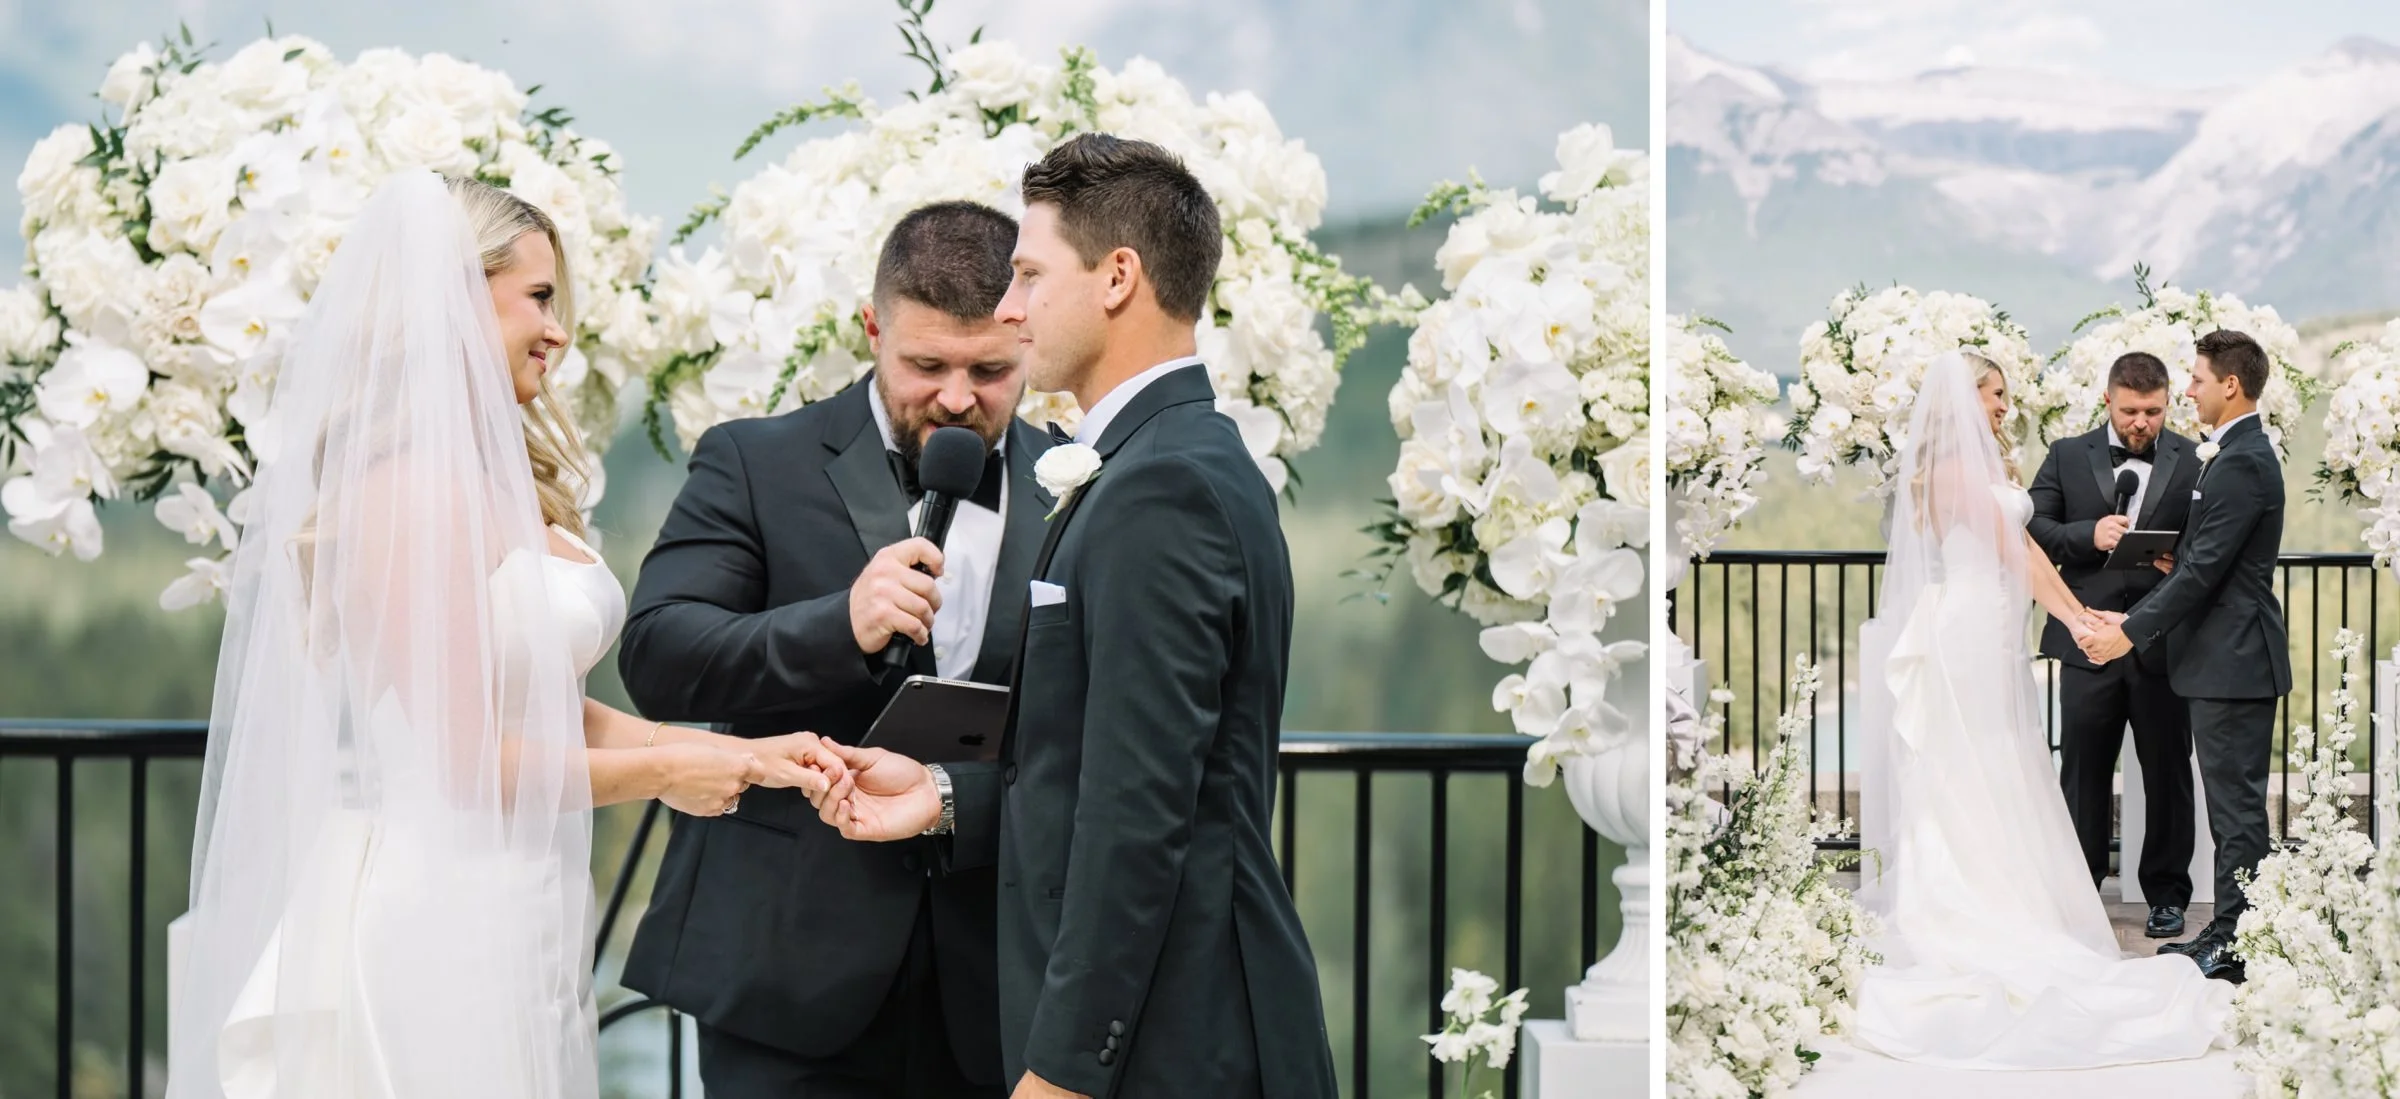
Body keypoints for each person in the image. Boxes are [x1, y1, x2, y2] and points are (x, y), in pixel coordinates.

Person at [166, 171, 827, 1099]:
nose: (559, 331)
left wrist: (738, 754)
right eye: (540, 298)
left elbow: (546, 706)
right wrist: (670, 775)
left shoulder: (497, 477)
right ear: (452, 299)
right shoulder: (405, 494)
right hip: (447, 911)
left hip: (531, 901)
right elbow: (464, 757)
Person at [803, 134, 1338, 1099]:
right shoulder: (1161, 459)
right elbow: (1103, 759)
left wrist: (1062, 1072)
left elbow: (1140, 812)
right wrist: (948, 792)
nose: (1009, 308)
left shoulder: (1161, 485)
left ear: (1118, 277)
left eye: (1029, 273)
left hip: (1174, 1039)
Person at [616, 201, 1057, 1098]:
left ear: (1028, 339)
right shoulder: (754, 460)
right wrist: (839, 624)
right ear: (871, 330)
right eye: (926, 365)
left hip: (997, 983)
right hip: (786, 973)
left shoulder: (1077, 487)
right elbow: (657, 652)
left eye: (990, 369)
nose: (959, 397)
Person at [1849, 350, 2232, 1070]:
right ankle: (1964, 906)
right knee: (1974, 763)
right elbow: (2018, 549)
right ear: (1966, 400)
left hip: (1989, 626)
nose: (2001, 406)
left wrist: (2075, 608)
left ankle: (2003, 892)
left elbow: (2017, 549)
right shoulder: (1961, 470)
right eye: (1993, 395)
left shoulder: (1970, 466)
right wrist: (2083, 614)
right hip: (1969, 629)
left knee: (1996, 761)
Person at [2079, 329, 2292, 984]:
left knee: (2235, 811)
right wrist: (2135, 608)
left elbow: (2203, 573)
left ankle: (2235, 941)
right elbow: (2199, 564)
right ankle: (2233, 929)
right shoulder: (2232, 454)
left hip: (2234, 659)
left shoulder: (2244, 460)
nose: (2189, 390)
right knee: (2231, 809)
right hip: (2219, 655)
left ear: (2230, 384)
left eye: (2197, 378)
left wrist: (2130, 632)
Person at [2025, 351, 2199, 938]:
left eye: (2152, 411)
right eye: (2130, 411)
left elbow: (2211, 541)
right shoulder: (2066, 454)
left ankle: (2168, 895)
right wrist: (2088, 534)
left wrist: (2181, 558)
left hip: (2161, 644)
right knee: (2083, 772)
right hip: (2088, 641)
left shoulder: (2195, 460)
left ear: (2168, 402)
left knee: (2169, 773)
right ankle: (2080, 893)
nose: (2140, 423)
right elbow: (2031, 528)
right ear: (2108, 400)